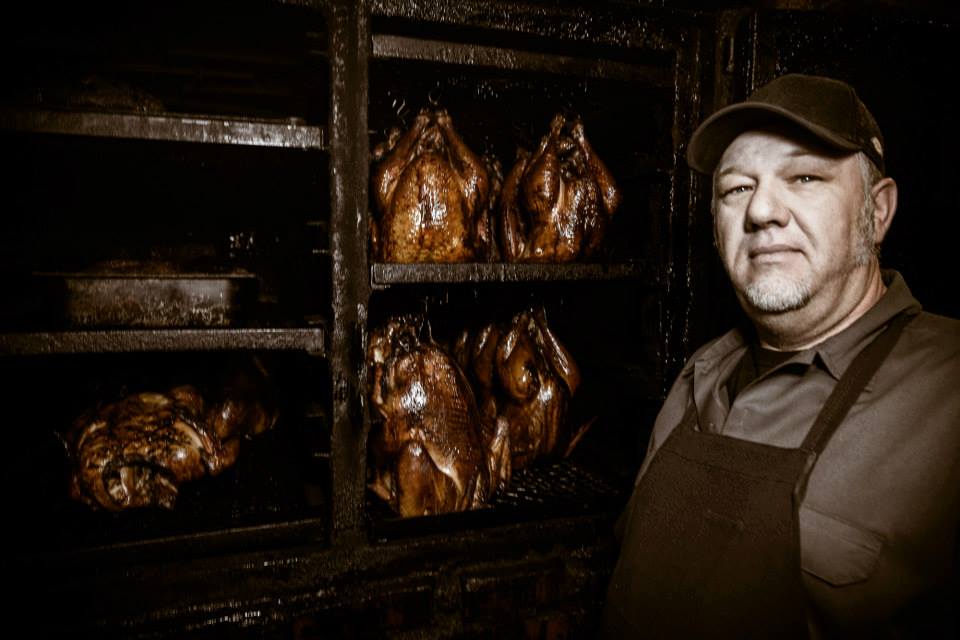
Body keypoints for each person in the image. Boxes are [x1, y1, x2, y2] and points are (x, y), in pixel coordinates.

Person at [599, 73, 960, 638]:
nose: (762, 210)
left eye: (805, 177)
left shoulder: (949, 389)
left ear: (879, 211)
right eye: (736, 188)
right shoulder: (700, 374)